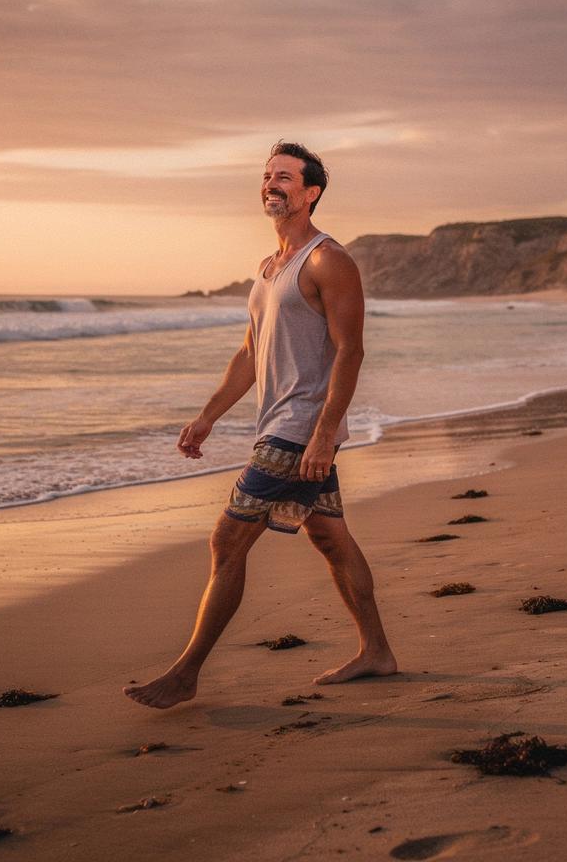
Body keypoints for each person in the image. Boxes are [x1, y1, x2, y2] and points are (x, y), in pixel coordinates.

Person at [124, 141, 397, 709]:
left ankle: (186, 673)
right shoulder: (270, 267)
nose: (272, 185)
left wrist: (323, 434)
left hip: (298, 430)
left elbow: (351, 353)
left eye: (285, 178)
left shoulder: (328, 261)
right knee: (328, 535)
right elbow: (251, 352)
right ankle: (376, 651)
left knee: (227, 541)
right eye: (267, 176)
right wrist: (206, 417)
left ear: (311, 192)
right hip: (278, 423)